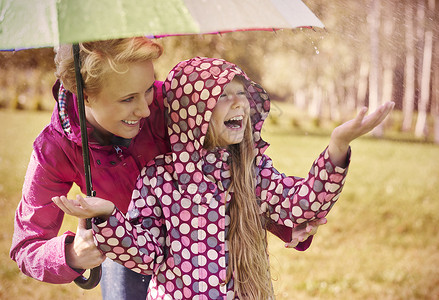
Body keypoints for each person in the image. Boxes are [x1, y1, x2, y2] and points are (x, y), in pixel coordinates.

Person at [52, 56, 395, 299]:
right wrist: (108, 216)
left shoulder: (249, 171)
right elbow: (146, 255)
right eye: (223, 96)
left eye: (241, 94)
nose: (238, 104)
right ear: (193, 112)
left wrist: (337, 146)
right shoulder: (159, 179)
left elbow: (299, 206)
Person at [9, 37, 171, 299]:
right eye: (128, 98)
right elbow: (26, 246)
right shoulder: (55, 148)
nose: (145, 110)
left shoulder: (172, 103)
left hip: (199, 237)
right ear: (85, 96)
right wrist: (72, 254)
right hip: (128, 247)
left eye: (149, 89)